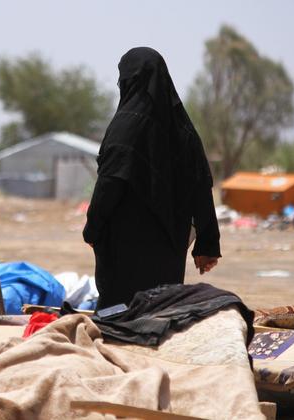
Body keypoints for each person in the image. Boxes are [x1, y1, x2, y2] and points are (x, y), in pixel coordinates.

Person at [83, 47, 221, 310]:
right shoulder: (183, 130)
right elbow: (201, 188)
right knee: (161, 312)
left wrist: (93, 228)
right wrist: (207, 243)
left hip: (124, 247)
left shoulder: (125, 126)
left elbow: (109, 184)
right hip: (168, 247)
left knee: (119, 314)